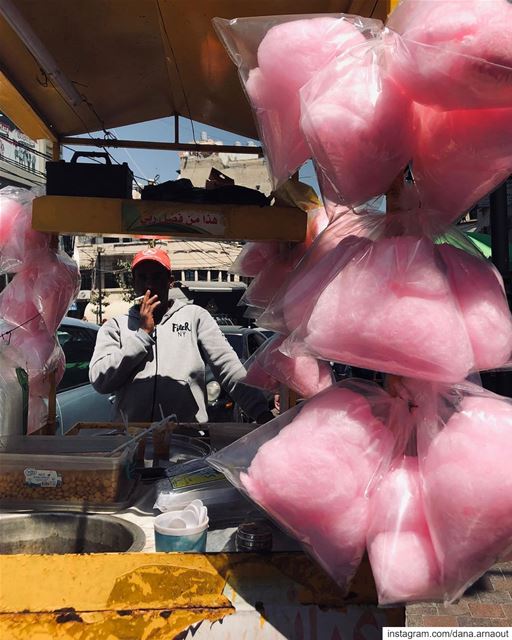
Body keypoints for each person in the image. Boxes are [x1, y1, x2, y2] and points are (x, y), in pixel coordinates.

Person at [89, 247, 274, 424]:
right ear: (134, 282)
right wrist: (142, 335)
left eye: (157, 277)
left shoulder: (195, 317)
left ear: (170, 281)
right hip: (132, 439)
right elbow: (100, 381)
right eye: (143, 277)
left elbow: (228, 367)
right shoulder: (116, 326)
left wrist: (261, 412)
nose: (150, 285)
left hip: (185, 437)